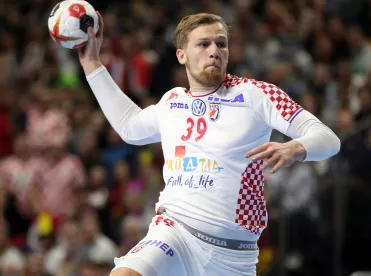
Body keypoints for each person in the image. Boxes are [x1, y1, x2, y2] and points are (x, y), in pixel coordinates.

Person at [78, 11, 340, 276]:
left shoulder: (256, 95)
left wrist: (294, 147)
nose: (214, 51)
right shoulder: (172, 102)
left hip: (232, 255)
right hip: (174, 233)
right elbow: (129, 125)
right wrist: (91, 63)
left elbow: (328, 139)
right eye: (203, 44)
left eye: (221, 43)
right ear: (182, 55)